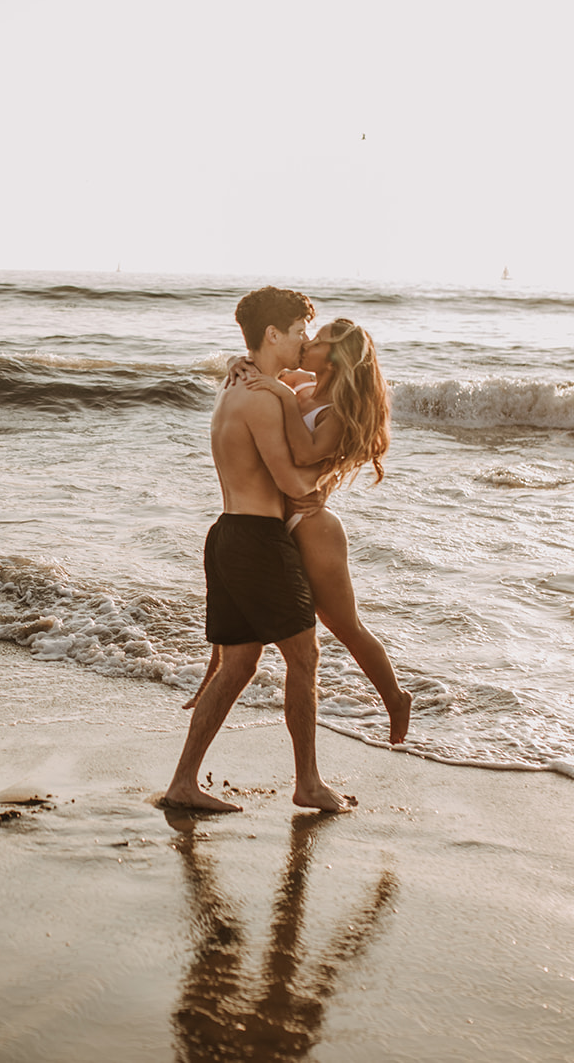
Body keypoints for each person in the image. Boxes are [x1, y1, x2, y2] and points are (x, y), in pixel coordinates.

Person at [162, 286, 351, 814]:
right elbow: (293, 483)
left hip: (226, 533)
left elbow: (272, 382)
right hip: (258, 540)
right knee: (304, 655)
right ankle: (308, 783)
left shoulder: (235, 385)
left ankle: (182, 782)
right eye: (297, 333)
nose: (304, 342)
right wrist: (338, 460)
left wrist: (245, 364)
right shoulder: (267, 398)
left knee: (240, 664)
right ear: (273, 335)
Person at [180, 317, 412, 745]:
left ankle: (396, 700)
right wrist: (238, 362)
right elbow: (258, 366)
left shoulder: (337, 412)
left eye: (319, 341)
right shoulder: (295, 379)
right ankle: (208, 681)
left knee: (343, 625)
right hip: (267, 520)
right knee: (241, 618)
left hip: (311, 525)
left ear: (337, 357)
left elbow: (304, 451)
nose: (308, 343)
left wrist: (284, 398)